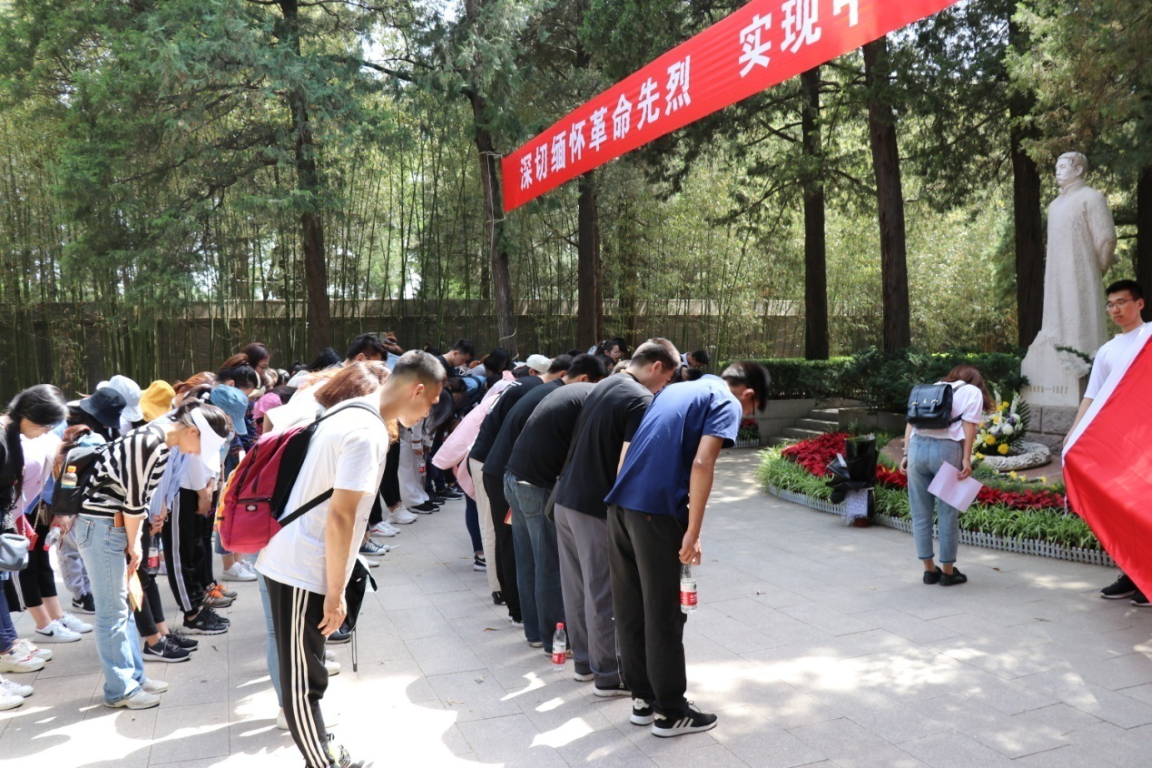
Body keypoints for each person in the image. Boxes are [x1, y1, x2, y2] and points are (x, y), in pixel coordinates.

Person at [256, 352, 444, 768]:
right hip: (301, 564)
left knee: (310, 671)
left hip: (302, 557)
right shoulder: (366, 432)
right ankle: (322, 762)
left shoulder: (354, 410)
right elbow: (341, 516)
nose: (428, 411)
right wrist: (335, 592)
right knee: (303, 681)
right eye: (431, 402)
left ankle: (323, 752)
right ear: (417, 390)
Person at [605, 360, 769, 737]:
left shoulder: (675, 389)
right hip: (657, 513)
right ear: (748, 394)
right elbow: (702, 463)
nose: (745, 417)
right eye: (751, 410)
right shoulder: (725, 400)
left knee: (630, 608)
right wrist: (693, 532)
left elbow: (632, 450)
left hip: (621, 507)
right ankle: (671, 712)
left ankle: (642, 699)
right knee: (663, 612)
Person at [76, 400, 230, 709]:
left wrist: (136, 537)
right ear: (191, 431)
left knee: (123, 607)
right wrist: (135, 544)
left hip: (113, 526)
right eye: (201, 446)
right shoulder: (150, 442)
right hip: (102, 526)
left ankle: (133, 677)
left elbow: (139, 500)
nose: (197, 454)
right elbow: (134, 501)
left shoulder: (160, 442)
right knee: (113, 612)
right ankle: (120, 689)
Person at [551, 340, 680, 695]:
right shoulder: (640, 399)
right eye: (667, 378)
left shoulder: (607, 382)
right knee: (603, 592)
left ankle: (584, 664)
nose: (665, 386)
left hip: (565, 499)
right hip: (594, 507)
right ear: (656, 366)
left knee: (576, 588)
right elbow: (628, 466)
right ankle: (608, 674)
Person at [498, 355, 604, 652]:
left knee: (528, 560)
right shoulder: (592, 396)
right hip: (537, 487)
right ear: (588, 379)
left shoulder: (560, 391)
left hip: (513, 478)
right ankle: (553, 640)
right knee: (549, 565)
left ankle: (534, 632)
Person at [1073, 280, 1150, 606]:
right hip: (1119, 444)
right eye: (1111, 304)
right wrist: (1073, 434)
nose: (1116, 309)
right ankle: (1131, 574)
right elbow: (1092, 396)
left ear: (1139, 303)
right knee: (1123, 509)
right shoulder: (1107, 351)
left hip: (1146, 441)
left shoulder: (1150, 338)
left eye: (1122, 302)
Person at [470, 357, 557, 624]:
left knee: (503, 533)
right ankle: (509, 599)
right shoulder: (537, 391)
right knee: (503, 533)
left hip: (495, 461)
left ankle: (506, 594)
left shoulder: (528, 385)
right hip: (495, 464)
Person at [0, 385, 69, 709]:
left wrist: (17, 521)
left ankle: (7, 647)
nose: (47, 431)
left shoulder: (13, 434)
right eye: (45, 424)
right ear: (29, 415)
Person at [899, 365, 992, 587]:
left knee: (920, 513)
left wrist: (906, 453)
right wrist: (967, 459)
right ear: (975, 380)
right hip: (946, 451)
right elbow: (968, 426)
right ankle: (948, 573)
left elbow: (911, 421)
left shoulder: (933, 387)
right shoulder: (972, 391)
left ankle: (929, 570)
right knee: (947, 513)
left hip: (917, 449)